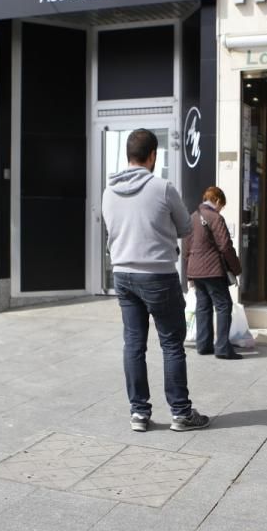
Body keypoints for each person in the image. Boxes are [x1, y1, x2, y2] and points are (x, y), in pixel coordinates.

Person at [101, 129, 210, 433]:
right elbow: (186, 227)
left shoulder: (108, 191)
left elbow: (112, 228)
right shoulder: (162, 188)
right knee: (172, 345)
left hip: (123, 275)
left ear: (127, 155)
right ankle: (181, 413)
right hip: (158, 274)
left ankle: (138, 413)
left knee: (133, 344)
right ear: (152, 156)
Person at [183, 186, 243, 360]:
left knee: (203, 306)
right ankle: (223, 348)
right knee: (224, 305)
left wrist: (189, 274)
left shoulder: (192, 217)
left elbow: (186, 248)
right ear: (217, 200)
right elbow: (225, 246)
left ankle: (203, 345)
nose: (221, 208)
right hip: (212, 270)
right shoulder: (215, 217)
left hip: (196, 270)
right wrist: (236, 268)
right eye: (221, 205)